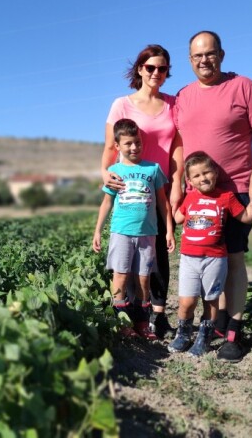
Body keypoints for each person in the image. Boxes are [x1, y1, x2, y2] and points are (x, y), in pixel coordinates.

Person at [173, 31, 252, 362]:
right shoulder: (183, 96)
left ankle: (232, 332)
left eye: (210, 53)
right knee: (202, 259)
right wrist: (176, 186)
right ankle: (210, 322)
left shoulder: (243, 86)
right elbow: (178, 144)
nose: (204, 60)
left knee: (232, 258)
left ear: (221, 54)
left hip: (236, 190)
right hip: (196, 195)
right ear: (190, 60)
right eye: (197, 55)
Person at [102, 44, 184, 339]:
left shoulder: (174, 104)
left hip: (159, 187)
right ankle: (128, 317)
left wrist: (177, 182)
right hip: (131, 191)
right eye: (150, 67)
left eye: (162, 68)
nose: (156, 73)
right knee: (127, 261)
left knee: (158, 255)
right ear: (140, 69)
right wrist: (105, 173)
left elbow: (177, 147)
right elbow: (110, 147)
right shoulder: (121, 104)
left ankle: (157, 317)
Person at [169, 151, 252, 356]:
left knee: (211, 300)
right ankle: (183, 334)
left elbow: (245, 217)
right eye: (196, 175)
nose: (203, 178)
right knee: (186, 302)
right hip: (189, 259)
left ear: (216, 173)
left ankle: (204, 337)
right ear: (189, 181)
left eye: (206, 172)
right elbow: (178, 218)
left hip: (215, 259)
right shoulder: (189, 198)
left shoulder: (226, 197)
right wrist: (173, 199)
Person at [93, 118, 176, 340]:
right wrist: (98, 231)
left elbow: (162, 202)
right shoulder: (114, 171)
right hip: (121, 232)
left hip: (148, 234)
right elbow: (107, 203)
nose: (134, 147)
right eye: (128, 143)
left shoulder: (153, 169)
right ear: (117, 146)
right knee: (120, 277)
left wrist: (169, 230)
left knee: (143, 280)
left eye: (137, 142)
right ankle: (122, 323)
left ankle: (142, 323)